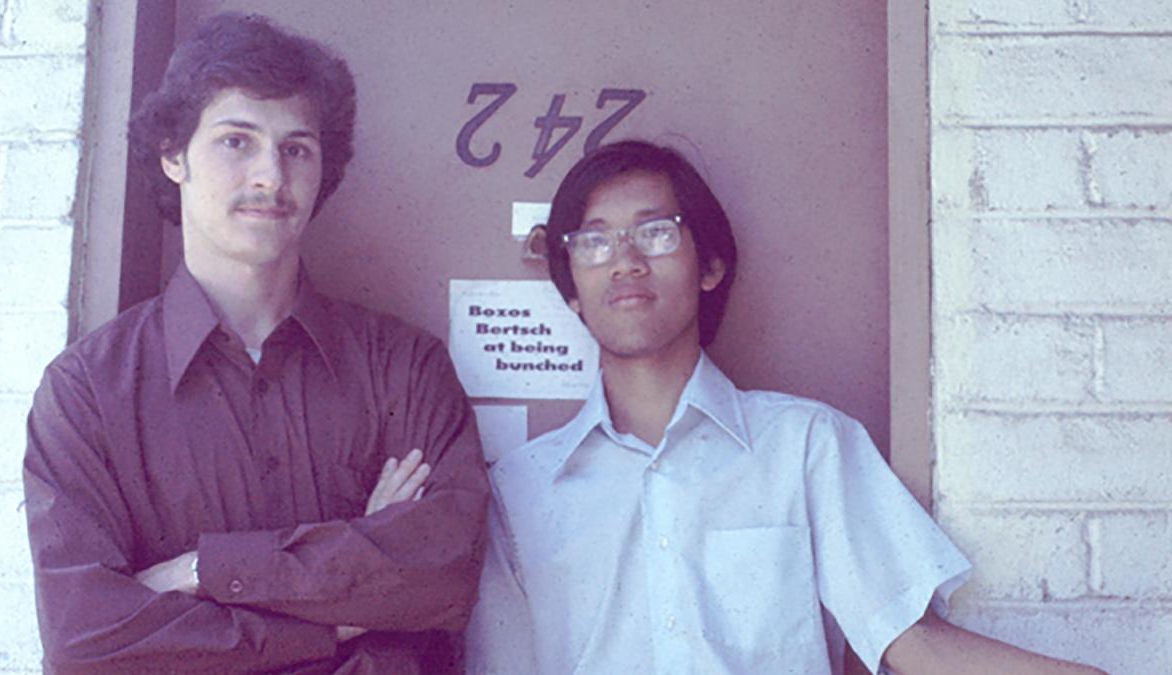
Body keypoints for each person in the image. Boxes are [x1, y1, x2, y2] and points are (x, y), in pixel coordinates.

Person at [466, 140, 1107, 674]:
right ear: (571, 291)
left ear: (710, 266)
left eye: (656, 233)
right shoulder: (519, 491)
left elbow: (915, 646)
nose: (625, 262)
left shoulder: (808, 446)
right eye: (594, 242)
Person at [23, 13, 488, 674]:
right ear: (173, 155)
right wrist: (347, 598)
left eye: (297, 148)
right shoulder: (88, 391)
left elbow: (440, 575)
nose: (270, 175)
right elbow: (84, 644)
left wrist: (199, 571)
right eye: (237, 141)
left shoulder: (405, 368)